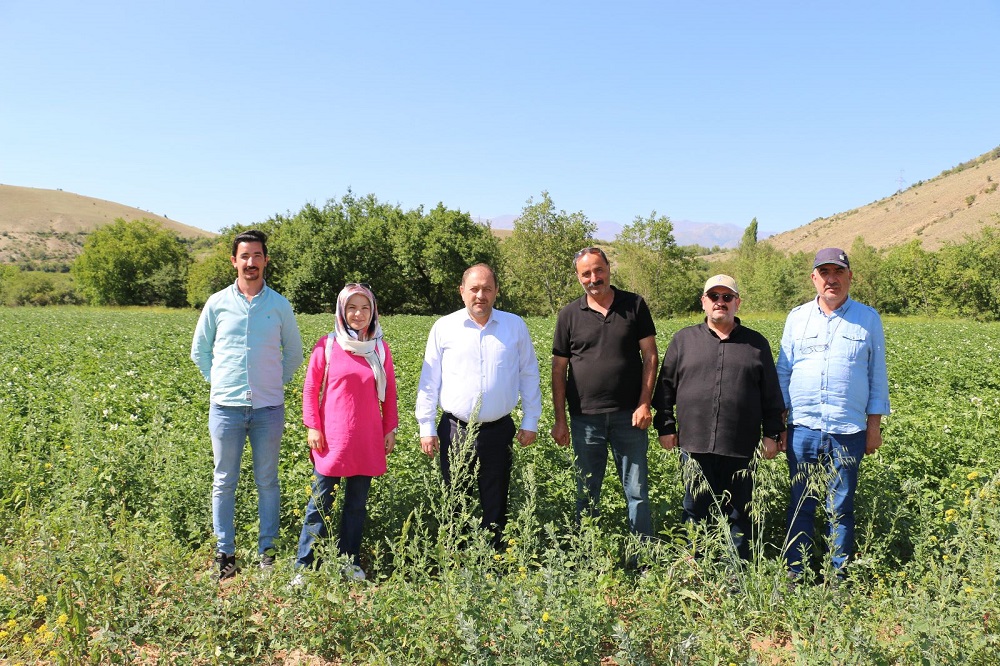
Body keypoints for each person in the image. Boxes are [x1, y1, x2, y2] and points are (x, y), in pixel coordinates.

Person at [191, 229, 303, 581]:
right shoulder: (217, 303)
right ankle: (225, 553)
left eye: (257, 256)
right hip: (225, 408)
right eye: (245, 256)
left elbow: (294, 353)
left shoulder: (279, 305)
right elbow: (200, 351)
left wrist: (273, 382)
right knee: (224, 480)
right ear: (234, 261)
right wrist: (221, 383)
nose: (251, 262)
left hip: (268, 409)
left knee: (267, 480)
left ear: (266, 260)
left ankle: (266, 552)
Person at [652, 275, 785, 560]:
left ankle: (735, 572)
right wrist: (665, 426)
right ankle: (695, 567)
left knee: (740, 513)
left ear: (737, 302)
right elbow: (665, 388)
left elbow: (771, 395)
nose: (720, 302)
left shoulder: (756, 344)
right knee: (694, 508)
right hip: (693, 444)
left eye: (727, 297)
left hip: (741, 446)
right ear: (704, 302)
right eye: (714, 296)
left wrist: (772, 433)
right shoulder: (684, 340)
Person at [777, 247, 890, 578]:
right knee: (801, 505)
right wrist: (779, 425)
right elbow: (784, 373)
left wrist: (874, 428)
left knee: (840, 508)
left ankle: (836, 578)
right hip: (803, 429)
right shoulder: (797, 318)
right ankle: (795, 574)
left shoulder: (868, 319)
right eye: (824, 273)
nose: (831, 279)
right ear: (814, 278)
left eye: (838, 272)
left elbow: (877, 376)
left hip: (848, 431)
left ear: (849, 277)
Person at [415, 263, 542, 550]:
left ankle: (492, 560)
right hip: (455, 429)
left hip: (499, 430)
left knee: (496, 499)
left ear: (496, 291)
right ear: (462, 292)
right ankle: (458, 560)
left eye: (487, 288)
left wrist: (530, 420)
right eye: (474, 289)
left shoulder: (514, 326)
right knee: (455, 497)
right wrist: (426, 425)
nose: (480, 295)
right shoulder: (444, 327)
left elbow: (529, 374)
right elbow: (429, 379)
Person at [550, 247, 658, 542]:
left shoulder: (634, 305)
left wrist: (644, 402)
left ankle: (644, 554)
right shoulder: (569, 315)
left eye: (598, 270)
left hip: (630, 418)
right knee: (586, 491)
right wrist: (561, 420)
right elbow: (558, 370)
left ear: (609, 268)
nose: (593, 278)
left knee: (637, 492)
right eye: (586, 273)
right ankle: (588, 554)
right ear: (578, 277)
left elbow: (650, 356)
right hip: (585, 419)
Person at [294, 283, 398, 582]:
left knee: (356, 506)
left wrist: (389, 427)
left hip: (366, 437)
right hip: (332, 438)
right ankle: (304, 565)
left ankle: (348, 562)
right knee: (319, 502)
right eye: (352, 307)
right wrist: (312, 425)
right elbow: (311, 389)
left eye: (365, 307)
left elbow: (389, 391)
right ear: (342, 310)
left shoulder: (379, 347)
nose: (358, 313)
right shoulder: (327, 345)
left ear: (373, 311)